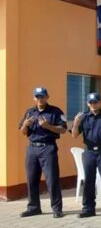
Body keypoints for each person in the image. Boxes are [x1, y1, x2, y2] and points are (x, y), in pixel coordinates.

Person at [19, 87, 67, 218]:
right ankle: (33, 207)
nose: (40, 99)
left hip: (48, 148)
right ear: (34, 98)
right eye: (37, 97)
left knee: (52, 179)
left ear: (47, 97)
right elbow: (22, 132)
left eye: (42, 96)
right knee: (31, 179)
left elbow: (63, 130)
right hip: (32, 148)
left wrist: (48, 126)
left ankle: (57, 209)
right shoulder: (29, 112)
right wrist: (25, 125)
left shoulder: (55, 112)